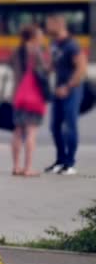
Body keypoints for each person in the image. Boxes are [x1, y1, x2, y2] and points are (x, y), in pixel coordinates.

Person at [45, 14, 87, 176]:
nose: (47, 28)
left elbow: (81, 68)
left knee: (70, 126)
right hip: (58, 90)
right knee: (54, 126)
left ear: (59, 24)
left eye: (49, 24)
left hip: (72, 90)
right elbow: (54, 64)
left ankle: (70, 163)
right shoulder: (54, 43)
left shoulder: (72, 45)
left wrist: (68, 87)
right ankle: (60, 160)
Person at [9, 25, 48, 177]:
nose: (41, 37)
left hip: (17, 96)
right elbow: (44, 70)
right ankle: (28, 168)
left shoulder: (16, 51)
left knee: (17, 131)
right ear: (33, 36)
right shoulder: (35, 51)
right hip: (33, 97)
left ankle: (16, 166)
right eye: (39, 35)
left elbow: (12, 68)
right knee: (31, 132)